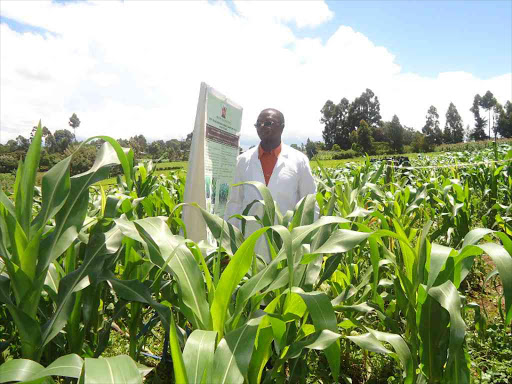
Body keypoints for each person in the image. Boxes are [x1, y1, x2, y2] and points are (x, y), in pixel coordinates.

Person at [224, 108, 317, 261]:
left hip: (286, 244)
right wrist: (230, 244)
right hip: (250, 242)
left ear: (282, 126)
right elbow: (234, 202)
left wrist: (308, 243)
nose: (262, 127)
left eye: (268, 123)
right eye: (258, 124)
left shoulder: (298, 160)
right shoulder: (243, 161)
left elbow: (310, 205)